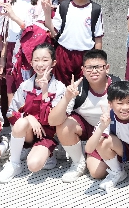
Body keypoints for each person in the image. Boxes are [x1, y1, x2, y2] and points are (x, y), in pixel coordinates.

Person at [0, 42, 66, 182]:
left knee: (33, 165)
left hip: (48, 134)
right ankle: (14, 164)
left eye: (45, 60)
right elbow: (11, 113)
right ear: (31, 63)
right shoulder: (25, 86)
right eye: (36, 60)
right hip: (28, 133)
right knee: (21, 122)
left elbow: (50, 120)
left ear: (53, 63)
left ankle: (49, 154)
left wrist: (45, 91)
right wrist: (28, 117)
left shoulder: (59, 88)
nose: (40, 64)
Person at [48, 49, 115, 183]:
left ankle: (92, 151)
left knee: (97, 172)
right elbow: (53, 121)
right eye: (89, 68)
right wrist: (67, 97)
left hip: (108, 132)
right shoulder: (77, 88)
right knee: (64, 125)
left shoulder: (117, 87)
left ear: (107, 68)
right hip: (85, 128)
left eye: (98, 67)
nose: (94, 71)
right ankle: (78, 162)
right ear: (83, 70)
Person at [0, 0, 48, 116]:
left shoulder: (42, 2)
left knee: (33, 86)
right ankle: (15, 122)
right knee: (12, 84)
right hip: (12, 49)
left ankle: (33, 120)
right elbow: (6, 34)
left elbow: (38, 31)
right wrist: (2, 60)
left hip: (33, 52)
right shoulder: (12, 0)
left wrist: (14, 17)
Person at [44, 0, 105, 85]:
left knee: (83, 88)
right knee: (61, 88)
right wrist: (47, 13)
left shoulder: (96, 9)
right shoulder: (64, 6)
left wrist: (97, 61)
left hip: (86, 55)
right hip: (63, 54)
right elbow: (54, 32)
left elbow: (98, 38)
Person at [84, 80, 129, 192]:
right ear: (110, 103)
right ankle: (117, 171)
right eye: (120, 103)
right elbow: (89, 148)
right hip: (123, 148)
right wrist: (102, 127)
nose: (125, 107)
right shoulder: (109, 117)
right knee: (102, 142)